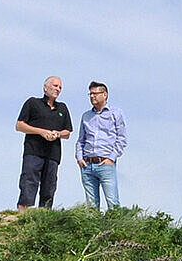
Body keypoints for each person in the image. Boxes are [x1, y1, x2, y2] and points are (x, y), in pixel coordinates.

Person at [14, 76, 73, 210]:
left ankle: (45, 214)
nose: (58, 89)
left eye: (60, 87)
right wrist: (41, 132)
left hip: (53, 154)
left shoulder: (62, 108)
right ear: (45, 87)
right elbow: (19, 125)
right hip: (33, 151)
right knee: (29, 181)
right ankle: (23, 212)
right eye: (55, 85)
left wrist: (57, 134)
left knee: (49, 186)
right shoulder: (32, 103)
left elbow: (68, 132)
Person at [77, 81, 127, 212]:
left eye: (95, 93)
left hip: (105, 163)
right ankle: (94, 231)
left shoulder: (116, 113)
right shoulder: (86, 116)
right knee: (91, 205)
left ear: (104, 95)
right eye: (90, 94)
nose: (92, 96)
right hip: (87, 164)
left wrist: (111, 158)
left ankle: (116, 230)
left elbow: (121, 139)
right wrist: (79, 158)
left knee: (112, 202)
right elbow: (81, 140)